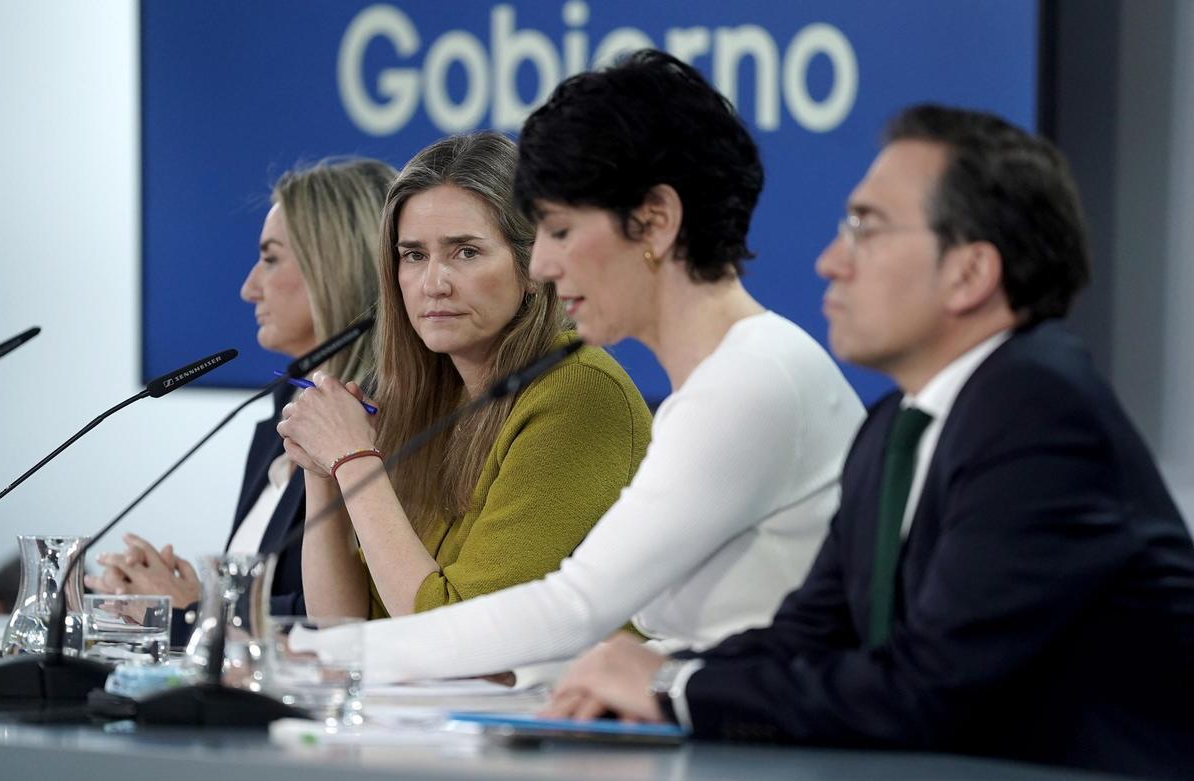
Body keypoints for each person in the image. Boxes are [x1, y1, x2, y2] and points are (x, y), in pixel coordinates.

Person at [546, 104, 1194, 779]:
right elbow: (809, 635)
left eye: (866, 228)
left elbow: (929, 687)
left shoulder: (1038, 409)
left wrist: (670, 690)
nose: (830, 262)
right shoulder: (894, 428)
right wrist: (659, 676)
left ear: (970, 273)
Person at [290, 50, 863, 682]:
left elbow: (570, 609)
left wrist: (309, 655)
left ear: (655, 223)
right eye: (412, 256)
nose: (543, 267)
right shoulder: (730, 377)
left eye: (560, 232)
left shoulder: (749, 383)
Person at [278, 132, 652, 620]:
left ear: (534, 266)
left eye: (465, 252)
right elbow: (345, 629)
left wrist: (354, 459)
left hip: (565, 696)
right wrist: (321, 470)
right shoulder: (431, 400)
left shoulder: (579, 392)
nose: (434, 283)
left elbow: (457, 633)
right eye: (413, 255)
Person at [86, 158, 394, 639]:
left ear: (332, 267)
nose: (249, 288)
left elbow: (356, 618)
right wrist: (176, 593)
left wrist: (194, 611)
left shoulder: (386, 424)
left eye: (270, 259)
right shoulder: (279, 422)